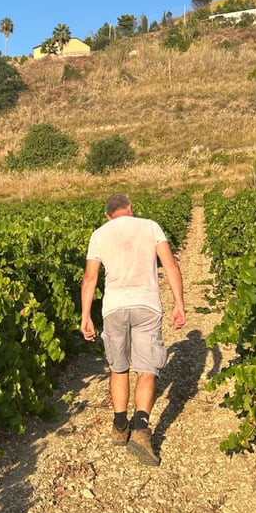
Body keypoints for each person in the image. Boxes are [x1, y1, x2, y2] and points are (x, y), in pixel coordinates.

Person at [80, 193, 186, 466]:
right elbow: (170, 265)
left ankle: (119, 426)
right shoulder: (150, 226)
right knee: (147, 368)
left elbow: (90, 278)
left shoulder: (99, 234)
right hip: (146, 305)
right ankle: (140, 428)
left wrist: (86, 315)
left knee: (119, 368)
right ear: (130, 208)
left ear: (108, 215)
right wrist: (179, 304)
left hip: (114, 308)